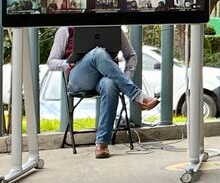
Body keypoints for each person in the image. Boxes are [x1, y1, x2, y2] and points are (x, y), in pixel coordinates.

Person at [47, 27, 159, 158]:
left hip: (104, 78)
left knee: (110, 84)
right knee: (98, 53)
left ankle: (102, 144)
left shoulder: (114, 29)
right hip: (79, 78)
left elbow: (131, 55)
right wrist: (69, 64)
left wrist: (125, 78)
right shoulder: (66, 29)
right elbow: (51, 62)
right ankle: (138, 96)